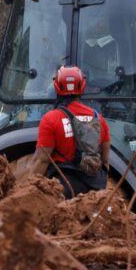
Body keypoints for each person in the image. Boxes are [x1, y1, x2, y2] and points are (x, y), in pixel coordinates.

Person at [32, 66, 111, 199]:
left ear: (56, 87)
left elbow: (42, 160)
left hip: (63, 188)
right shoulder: (98, 118)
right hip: (94, 188)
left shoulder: (50, 119)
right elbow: (105, 160)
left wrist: (30, 190)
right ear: (83, 87)